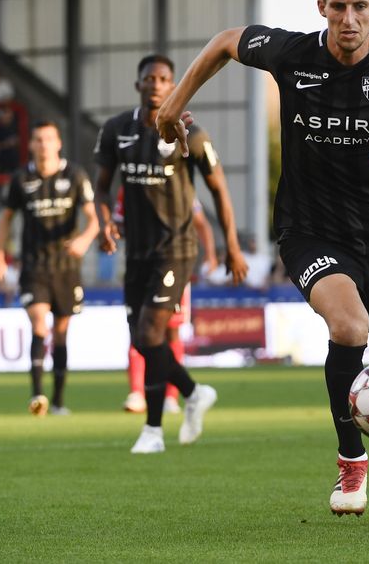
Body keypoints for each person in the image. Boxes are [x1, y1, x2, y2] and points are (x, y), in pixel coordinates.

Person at [155, 0, 369, 527]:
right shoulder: (294, 54)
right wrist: (175, 100)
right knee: (348, 326)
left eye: (360, 7)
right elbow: (228, 40)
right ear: (321, 8)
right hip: (310, 231)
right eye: (338, 6)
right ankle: (351, 458)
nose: (349, 18)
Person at [94, 54, 249, 454]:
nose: (157, 84)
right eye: (150, 78)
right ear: (139, 85)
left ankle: (152, 431)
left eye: (165, 78)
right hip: (138, 253)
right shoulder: (115, 131)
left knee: (151, 333)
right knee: (142, 340)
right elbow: (101, 188)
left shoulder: (191, 134)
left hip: (177, 250)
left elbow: (219, 190)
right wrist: (104, 222)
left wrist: (231, 244)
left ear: (174, 84)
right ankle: (194, 392)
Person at [0, 121, 99, 416]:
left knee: (62, 332)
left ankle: (59, 401)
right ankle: (37, 395)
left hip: (67, 267)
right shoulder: (20, 179)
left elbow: (93, 219)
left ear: (58, 143)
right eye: (38, 139)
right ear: (31, 145)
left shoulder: (76, 175)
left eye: (49, 139)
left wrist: (84, 239)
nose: (43, 144)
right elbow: (6, 219)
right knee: (40, 325)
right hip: (34, 266)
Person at [123, 194, 219, 414]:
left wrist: (211, 255)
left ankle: (171, 397)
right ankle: (137, 393)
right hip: (139, 267)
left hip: (172, 267)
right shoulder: (130, 181)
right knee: (139, 334)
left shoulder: (179, 185)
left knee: (170, 331)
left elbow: (202, 224)